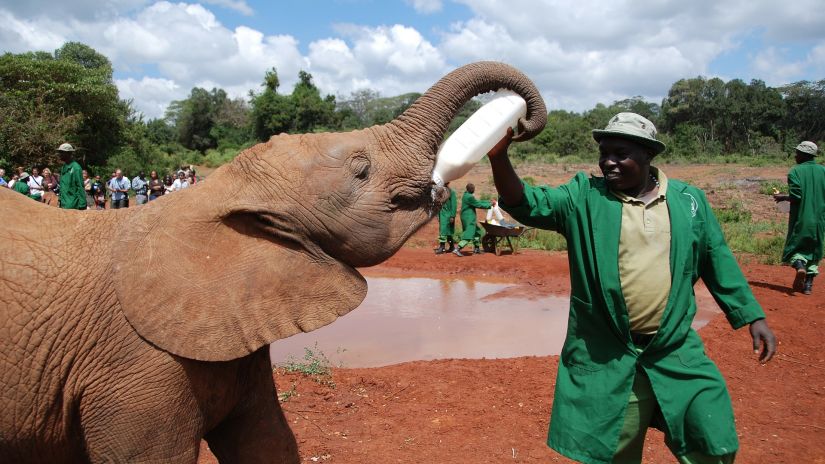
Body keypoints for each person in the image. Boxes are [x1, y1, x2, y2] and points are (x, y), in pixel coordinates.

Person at [487, 112, 776, 464]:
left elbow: (718, 259)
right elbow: (525, 202)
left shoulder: (688, 202)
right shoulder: (584, 197)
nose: (608, 162)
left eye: (620, 153)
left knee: (713, 440)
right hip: (609, 352)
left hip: (674, 348)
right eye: (603, 153)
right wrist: (498, 157)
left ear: (648, 155)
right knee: (614, 452)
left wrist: (752, 315)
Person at [773, 141, 825, 295]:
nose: (795, 156)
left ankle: (800, 266)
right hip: (820, 219)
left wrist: (783, 197)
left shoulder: (795, 172)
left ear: (803, 155)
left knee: (795, 246)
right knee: (815, 249)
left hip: (802, 217)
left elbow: (796, 196)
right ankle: (808, 286)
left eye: (797, 153)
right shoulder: (823, 171)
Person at [452, 183, 492, 256]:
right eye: (473, 189)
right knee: (469, 233)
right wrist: (490, 205)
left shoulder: (466, 195)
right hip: (469, 217)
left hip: (466, 216)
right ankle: (457, 248)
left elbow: (477, 201)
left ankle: (476, 249)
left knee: (477, 231)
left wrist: (489, 202)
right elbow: (478, 204)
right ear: (472, 189)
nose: (473, 190)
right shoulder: (469, 197)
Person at [55, 143, 87, 210]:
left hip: (73, 205)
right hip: (63, 203)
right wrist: (60, 199)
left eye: (61, 152)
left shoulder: (76, 168)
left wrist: (82, 204)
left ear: (68, 153)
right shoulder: (64, 167)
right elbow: (62, 185)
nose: (59, 154)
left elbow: (80, 186)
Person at [435, 182, 457, 254]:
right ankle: (451, 246)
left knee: (445, 230)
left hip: (448, 214)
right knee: (446, 231)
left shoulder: (451, 192)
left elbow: (454, 204)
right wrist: (438, 215)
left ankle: (442, 247)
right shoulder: (440, 192)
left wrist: (452, 216)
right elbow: (438, 204)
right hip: (442, 214)